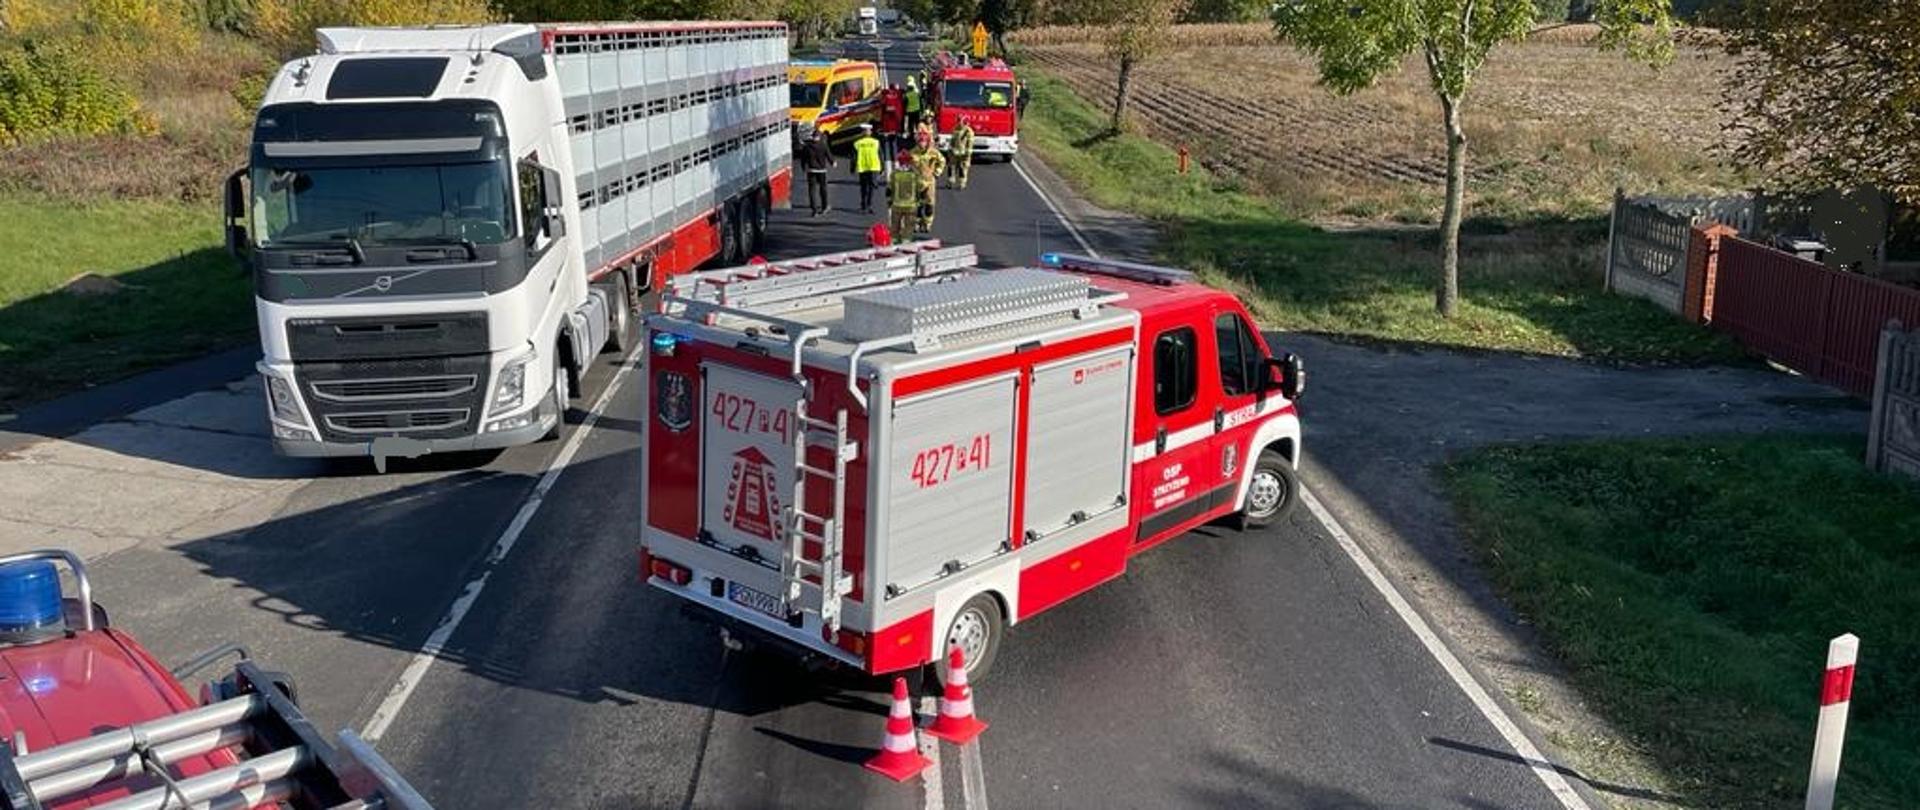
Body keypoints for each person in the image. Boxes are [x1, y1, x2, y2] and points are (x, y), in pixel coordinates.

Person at [908, 137, 947, 235]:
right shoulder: (913, 152)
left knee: (929, 203)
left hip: (929, 181)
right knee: (917, 204)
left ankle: (927, 224)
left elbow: (942, 161)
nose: (922, 144)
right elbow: (907, 163)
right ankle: (916, 223)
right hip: (916, 182)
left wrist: (937, 172)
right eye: (920, 142)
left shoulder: (933, 152)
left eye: (924, 142)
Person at [885, 151, 919, 244]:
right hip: (911, 206)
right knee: (909, 226)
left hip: (897, 205)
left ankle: (894, 241)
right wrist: (920, 202)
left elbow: (889, 190)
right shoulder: (914, 174)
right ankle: (906, 241)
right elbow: (919, 189)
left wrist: (889, 202)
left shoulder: (895, 174)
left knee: (895, 226)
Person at [798, 127, 833, 216]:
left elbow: (803, 159)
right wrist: (832, 162)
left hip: (811, 170)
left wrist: (803, 167)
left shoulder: (807, 147)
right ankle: (825, 206)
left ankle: (814, 210)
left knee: (812, 190)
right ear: (819, 137)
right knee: (823, 189)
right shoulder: (823, 145)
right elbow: (828, 155)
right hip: (821, 170)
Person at [852, 124, 882, 213]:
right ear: (870, 132)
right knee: (871, 187)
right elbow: (881, 155)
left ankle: (863, 205)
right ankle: (869, 205)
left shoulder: (857, 143)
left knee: (864, 187)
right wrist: (882, 167)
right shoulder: (876, 142)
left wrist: (852, 168)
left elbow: (854, 157)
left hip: (862, 167)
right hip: (873, 167)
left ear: (862, 133)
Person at [878, 84, 905, 163]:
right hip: (895, 125)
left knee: (887, 143)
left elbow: (882, 100)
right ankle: (895, 158)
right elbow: (902, 91)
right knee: (895, 142)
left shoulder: (886, 96)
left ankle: (887, 159)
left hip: (886, 125)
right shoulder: (897, 95)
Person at [947, 118, 974, 190]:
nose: (959, 122)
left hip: (963, 153)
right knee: (952, 167)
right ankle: (951, 182)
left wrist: (968, 153)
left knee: (963, 169)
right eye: (958, 121)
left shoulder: (968, 131)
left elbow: (970, 143)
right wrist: (950, 149)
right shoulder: (955, 129)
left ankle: (962, 183)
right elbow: (952, 140)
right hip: (954, 152)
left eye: (961, 121)